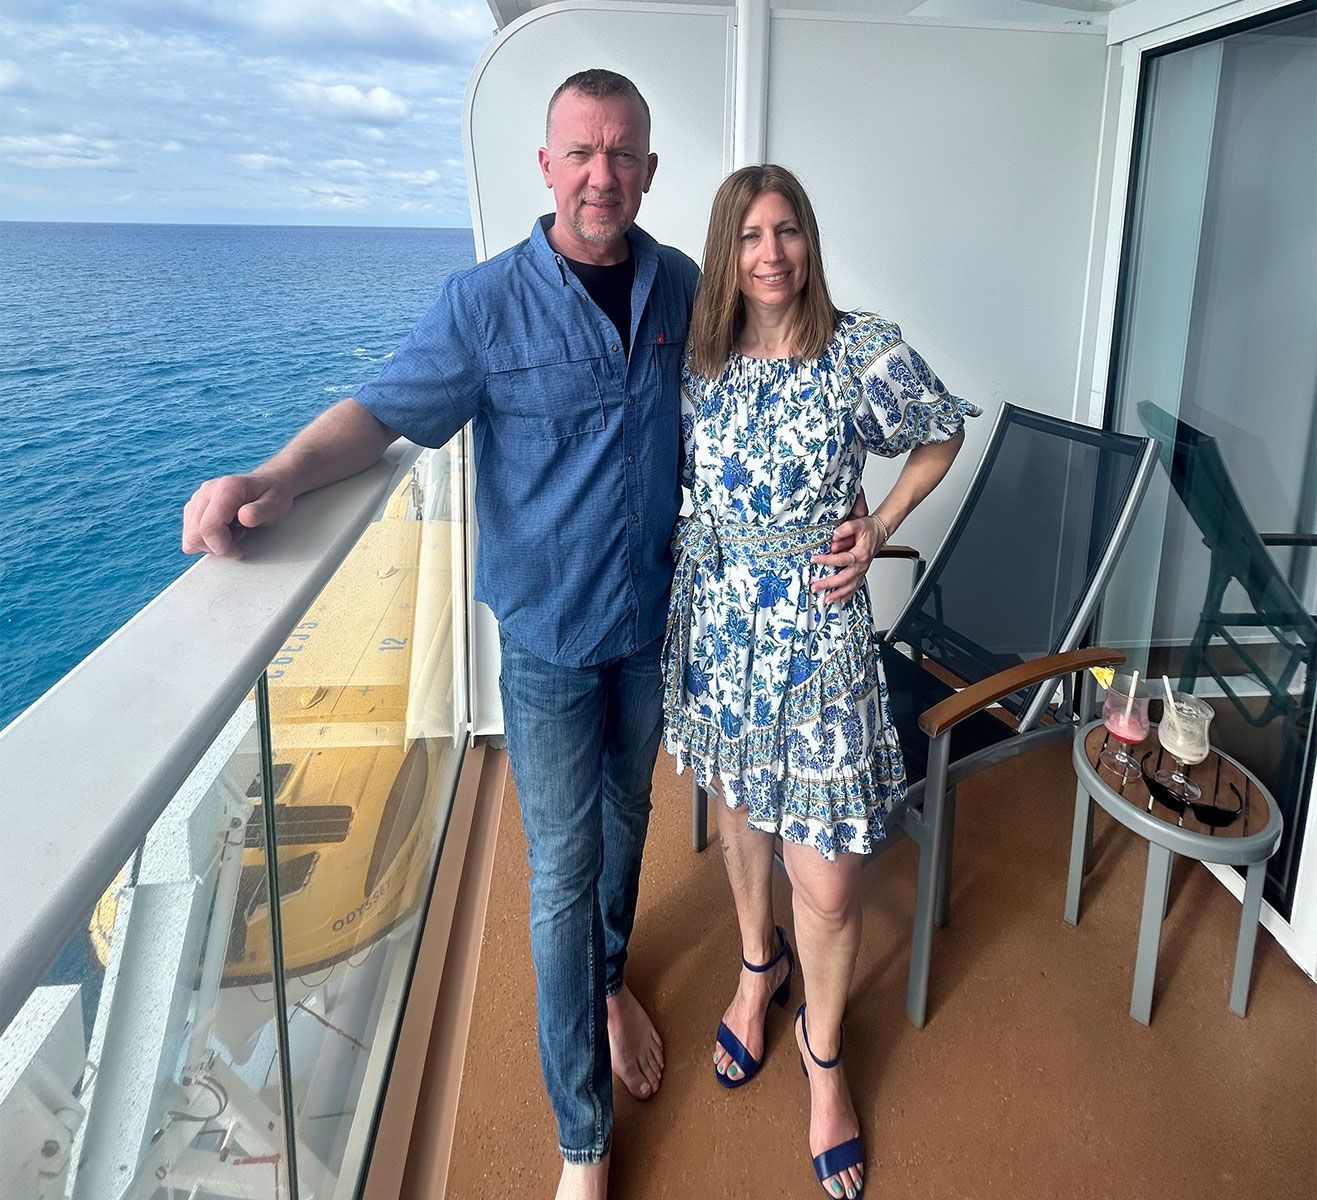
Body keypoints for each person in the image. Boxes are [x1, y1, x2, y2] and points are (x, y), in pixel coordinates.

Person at [182, 69, 698, 1200]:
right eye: (580, 152)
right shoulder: (484, 304)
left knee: (630, 814)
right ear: (547, 167)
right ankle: (582, 1137)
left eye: (622, 154)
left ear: (649, 171)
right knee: (560, 870)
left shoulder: (684, 291)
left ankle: (609, 986)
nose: (601, 174)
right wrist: (268, 476)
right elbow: (378, 416)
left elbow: (741, 408)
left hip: (652, 622)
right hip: (552, 638)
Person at [662, 164, 979, 1200]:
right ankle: (760, 969)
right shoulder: (699, 357)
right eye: (750, 233)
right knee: (745, 814)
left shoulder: (858, 347)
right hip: (719, 624)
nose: (770, 253)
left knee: (833, 877)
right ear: (728, 246)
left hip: (820, 630)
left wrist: (878, 527)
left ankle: (824, 1052)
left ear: (809, 241)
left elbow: (942, 431)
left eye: (787, 230)